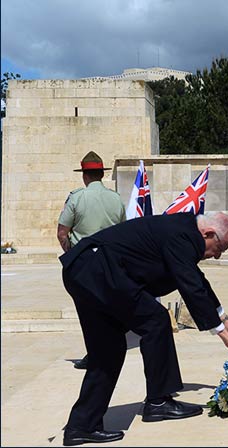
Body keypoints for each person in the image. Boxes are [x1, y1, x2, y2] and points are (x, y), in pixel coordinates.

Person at [60, 211, 228, 446]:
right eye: (220, 248)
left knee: (108, 350)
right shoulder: (182, 234)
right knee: (155, 320)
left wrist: (225, 320)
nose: (217, 256)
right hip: (99, 270)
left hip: (84, 270)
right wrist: (221, 333)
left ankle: (81, 426)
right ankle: (158, 403)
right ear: (208, 233)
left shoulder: (183, 230)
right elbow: (190, 284)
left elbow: (196, 279)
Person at [57, 151, 126, 370]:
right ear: (101, 175)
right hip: (109, 261)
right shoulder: (115, 198)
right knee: (109, 307)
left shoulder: (77, 198)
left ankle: (95, 353)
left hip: (83, 262)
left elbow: (62, 232)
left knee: (88, 311)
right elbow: (123, 231)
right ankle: (109, 350)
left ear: (85, 175)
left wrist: (70, 254)